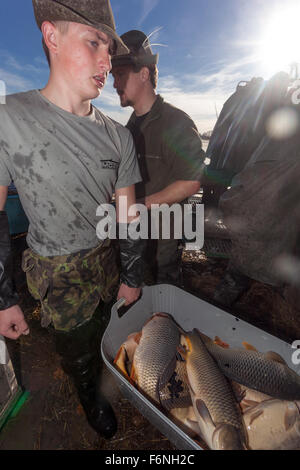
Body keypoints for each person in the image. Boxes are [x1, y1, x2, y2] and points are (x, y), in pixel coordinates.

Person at [0, 0, 145, 440]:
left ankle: (104, 374)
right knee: (74, 349)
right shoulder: (8, 119)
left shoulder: (118, 136)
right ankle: (88, 395)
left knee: (107, 330)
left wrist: (133, 274)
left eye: (110, 50)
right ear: (52, 37)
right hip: (55, 271)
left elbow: (128, 216)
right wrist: (4, 295)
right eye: (94, 42)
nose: (107, 62)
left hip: (106, 262)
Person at [111, 30, 205, 286]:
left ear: (144, 74)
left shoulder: (175, 122)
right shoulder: (131, 126)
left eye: (120, 75)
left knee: (165, 296)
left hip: (164, 238)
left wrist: (139, 202)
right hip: (136, 235)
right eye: (113, 76)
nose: (114, 83)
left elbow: (191, 182)